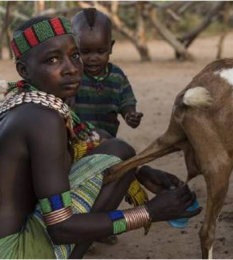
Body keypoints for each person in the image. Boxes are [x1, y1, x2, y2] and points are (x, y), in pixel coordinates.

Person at [0, 16, 201, 259]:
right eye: (53, 60)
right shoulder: (43, 120)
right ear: (24, 70)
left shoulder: (22, 102)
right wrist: (149, 212)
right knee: (117, 151)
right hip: (14, 252)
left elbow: (93, 141)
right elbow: (61, 229)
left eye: (74, 55)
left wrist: (136, 171)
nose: (72, 68)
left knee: (115, 149)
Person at [70, 8, 142, 139]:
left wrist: (130, 115)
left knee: (125, 151)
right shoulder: (72, 74)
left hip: (106, 142)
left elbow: (126, 102)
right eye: (85, 52)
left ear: (111, 47)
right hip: (75, 142)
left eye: (100, 51)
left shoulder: (117, 76)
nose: (93, 58)